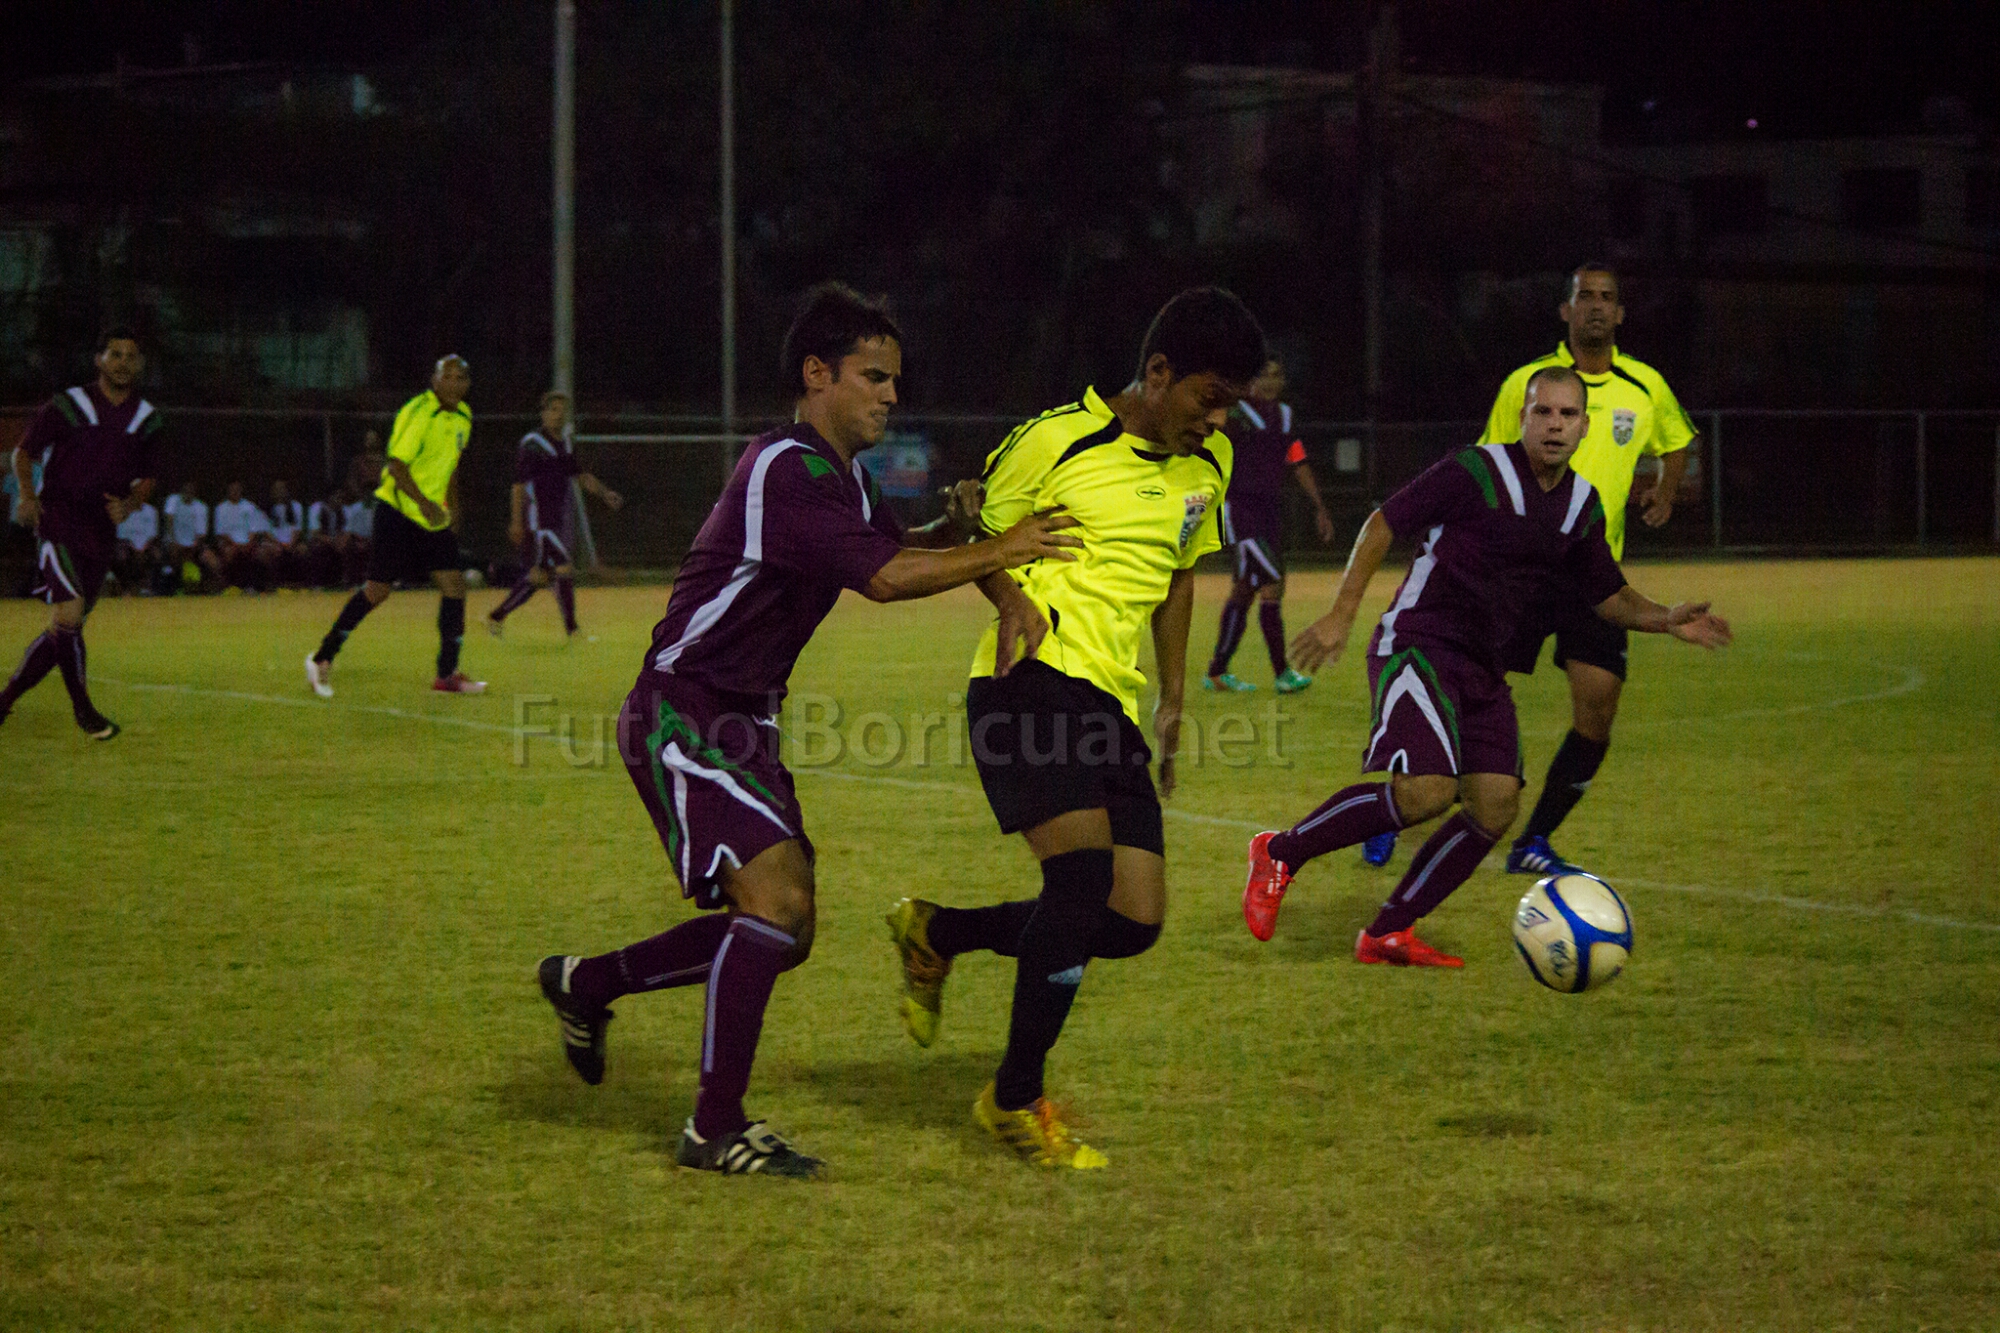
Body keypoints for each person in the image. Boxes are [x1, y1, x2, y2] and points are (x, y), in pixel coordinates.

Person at [533, 283, 1078, 1178]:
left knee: (787, 928)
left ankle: (588, 982)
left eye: (895, 380)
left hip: (741, 721)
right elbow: (890, 578)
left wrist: (984, 551)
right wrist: (1006, 546)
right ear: (817, 374)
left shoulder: (843, 481)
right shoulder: (786, 468)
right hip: (688, 707)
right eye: (874, 376)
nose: (891, 395)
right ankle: (715, 1128)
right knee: (776, 910)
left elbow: (916, 547)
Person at [884, 287, 1267, 1170]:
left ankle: (937, 932)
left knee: (1132, 919)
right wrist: (1012, 596)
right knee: (1081, 880)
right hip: (1028, 681)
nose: (1214, 420)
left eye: (1230, 407)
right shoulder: (1058, 437)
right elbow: (975, 530)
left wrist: (1173, 694)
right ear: (1158, 372)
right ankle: (1014, 1097)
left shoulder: (1207, 468)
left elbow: (1177, 575)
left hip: (1111, 701)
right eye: (1206, 398)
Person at [1241, 368, 1730, 965]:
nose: (1554, 425)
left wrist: (1667, 618)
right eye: (1542, 412)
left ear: (1584, 426)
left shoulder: (1581, 505)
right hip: (1418, 642)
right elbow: (1382, 523)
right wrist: (1342, 614)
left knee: (1496, 804)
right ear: (1521, 418)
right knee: (1427, 791)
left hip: (1483, 665)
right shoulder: (1475, 471)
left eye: (1567, 415)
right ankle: (1281, 851)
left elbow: (1609, 595)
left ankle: (1387, 932)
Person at [1362, 264, 1699, 874]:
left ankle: (1533, 840)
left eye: (1607, 298)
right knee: (1466, 685)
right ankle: (1401, 801)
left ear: (1620, 314)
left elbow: (1676, 441)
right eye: (1584, 297)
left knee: (1598, 708)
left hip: (1594, 574)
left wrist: (1667, 492)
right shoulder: (1528, 383)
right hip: (1516, 580)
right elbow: (1491, 465)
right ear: (1564, 311)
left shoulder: (1646, 387)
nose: (1596, 307)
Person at [0, 327, 162, 738]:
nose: (123, 362)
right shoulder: (68, 404)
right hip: (59, 520)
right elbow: (24, 452)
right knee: (69, 615)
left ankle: (3, 703)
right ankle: (85, 713)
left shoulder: (147, 418)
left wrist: (127, 506)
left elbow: (149, 479)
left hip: (100, 531)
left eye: (131, 355)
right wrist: (27, 496)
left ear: (139, 364)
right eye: (115, 354)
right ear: (99, 360)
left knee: (63, 631)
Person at [305, 356, 483, 697]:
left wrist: (452, 507)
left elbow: (450, 466)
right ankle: (322, 657)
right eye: (448, 376)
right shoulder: (418, 412)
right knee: (377, 591)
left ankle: (446, 676)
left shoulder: (464, 416)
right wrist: (425, 504)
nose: (455, 383)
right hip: (399, 511)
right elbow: (397, 466)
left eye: (461, 377)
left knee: (454, 586)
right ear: (434, 380)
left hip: (431, 517)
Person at [1203, 356, 1335, 693]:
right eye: (1264, 374)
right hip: (1241, 512)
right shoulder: (1236, 413)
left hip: (1269, 512)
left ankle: (1218, 671)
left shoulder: (1285, 416)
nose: (1271, 381)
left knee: (1245, 590)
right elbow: (1206, 431)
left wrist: (1319, 506)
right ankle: (1282, 674)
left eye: (1277, 374)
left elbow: (1297, 460)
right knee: (1273, 582)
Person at [486, 390, 623, 637]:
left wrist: (605, 493)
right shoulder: (532, 444)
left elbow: (579, 475)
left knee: (540, 577)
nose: (558, 415)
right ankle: (573, 630)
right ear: (543, 413)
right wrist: (516, 521)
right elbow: (518, 486)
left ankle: (497, 616)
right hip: (539, 523)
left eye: (562, 411)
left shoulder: (565, 443)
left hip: (555, 521)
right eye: (553, 410)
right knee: (564, 568)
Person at [212, 481, 276, 592]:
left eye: (237, 489)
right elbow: (221, 533)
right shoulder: (221, 508)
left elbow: (253, 529)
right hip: (229, 543)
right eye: (232, 489)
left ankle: (263, 585)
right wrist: (235, 545)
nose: (235, 492)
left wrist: (248, 543)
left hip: (248, 543)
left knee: (263, 553)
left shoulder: (249, 506)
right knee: (229, 553)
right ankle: (229, 586)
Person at [161, 480, 213, 593]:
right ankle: (172, 589)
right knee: (173, 554)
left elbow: (201, 534)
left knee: (210, 559)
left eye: (191, 489)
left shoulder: (201, 507)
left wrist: (193, 548)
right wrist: (175, 542)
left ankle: (208, 590)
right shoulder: (173, 500)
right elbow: (169, 521)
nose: (188, 492)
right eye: (186, 489)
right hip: (173, 542)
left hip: (193, 546)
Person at [113, 495, 160, 594]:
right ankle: (126, 587)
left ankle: (146, 587)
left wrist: (143, 547)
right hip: (128, 545)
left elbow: (153, 534)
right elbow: (121, 535)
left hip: (146, 546)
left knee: (156, 555)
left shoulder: (151, 511)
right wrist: (133, 547)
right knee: (122, 556)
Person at [266, 480, 308, 586]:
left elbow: (298, 529)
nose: (280, 492)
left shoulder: (296, 506)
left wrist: (290, 544)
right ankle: (275, 584)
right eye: (277, 489)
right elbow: (266, 531)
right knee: (271, 551)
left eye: (282, 489)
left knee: (303, 549)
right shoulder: (267, 509)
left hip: (292, 542)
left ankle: (298, 583)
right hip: (274, 543)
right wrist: (279, 544)